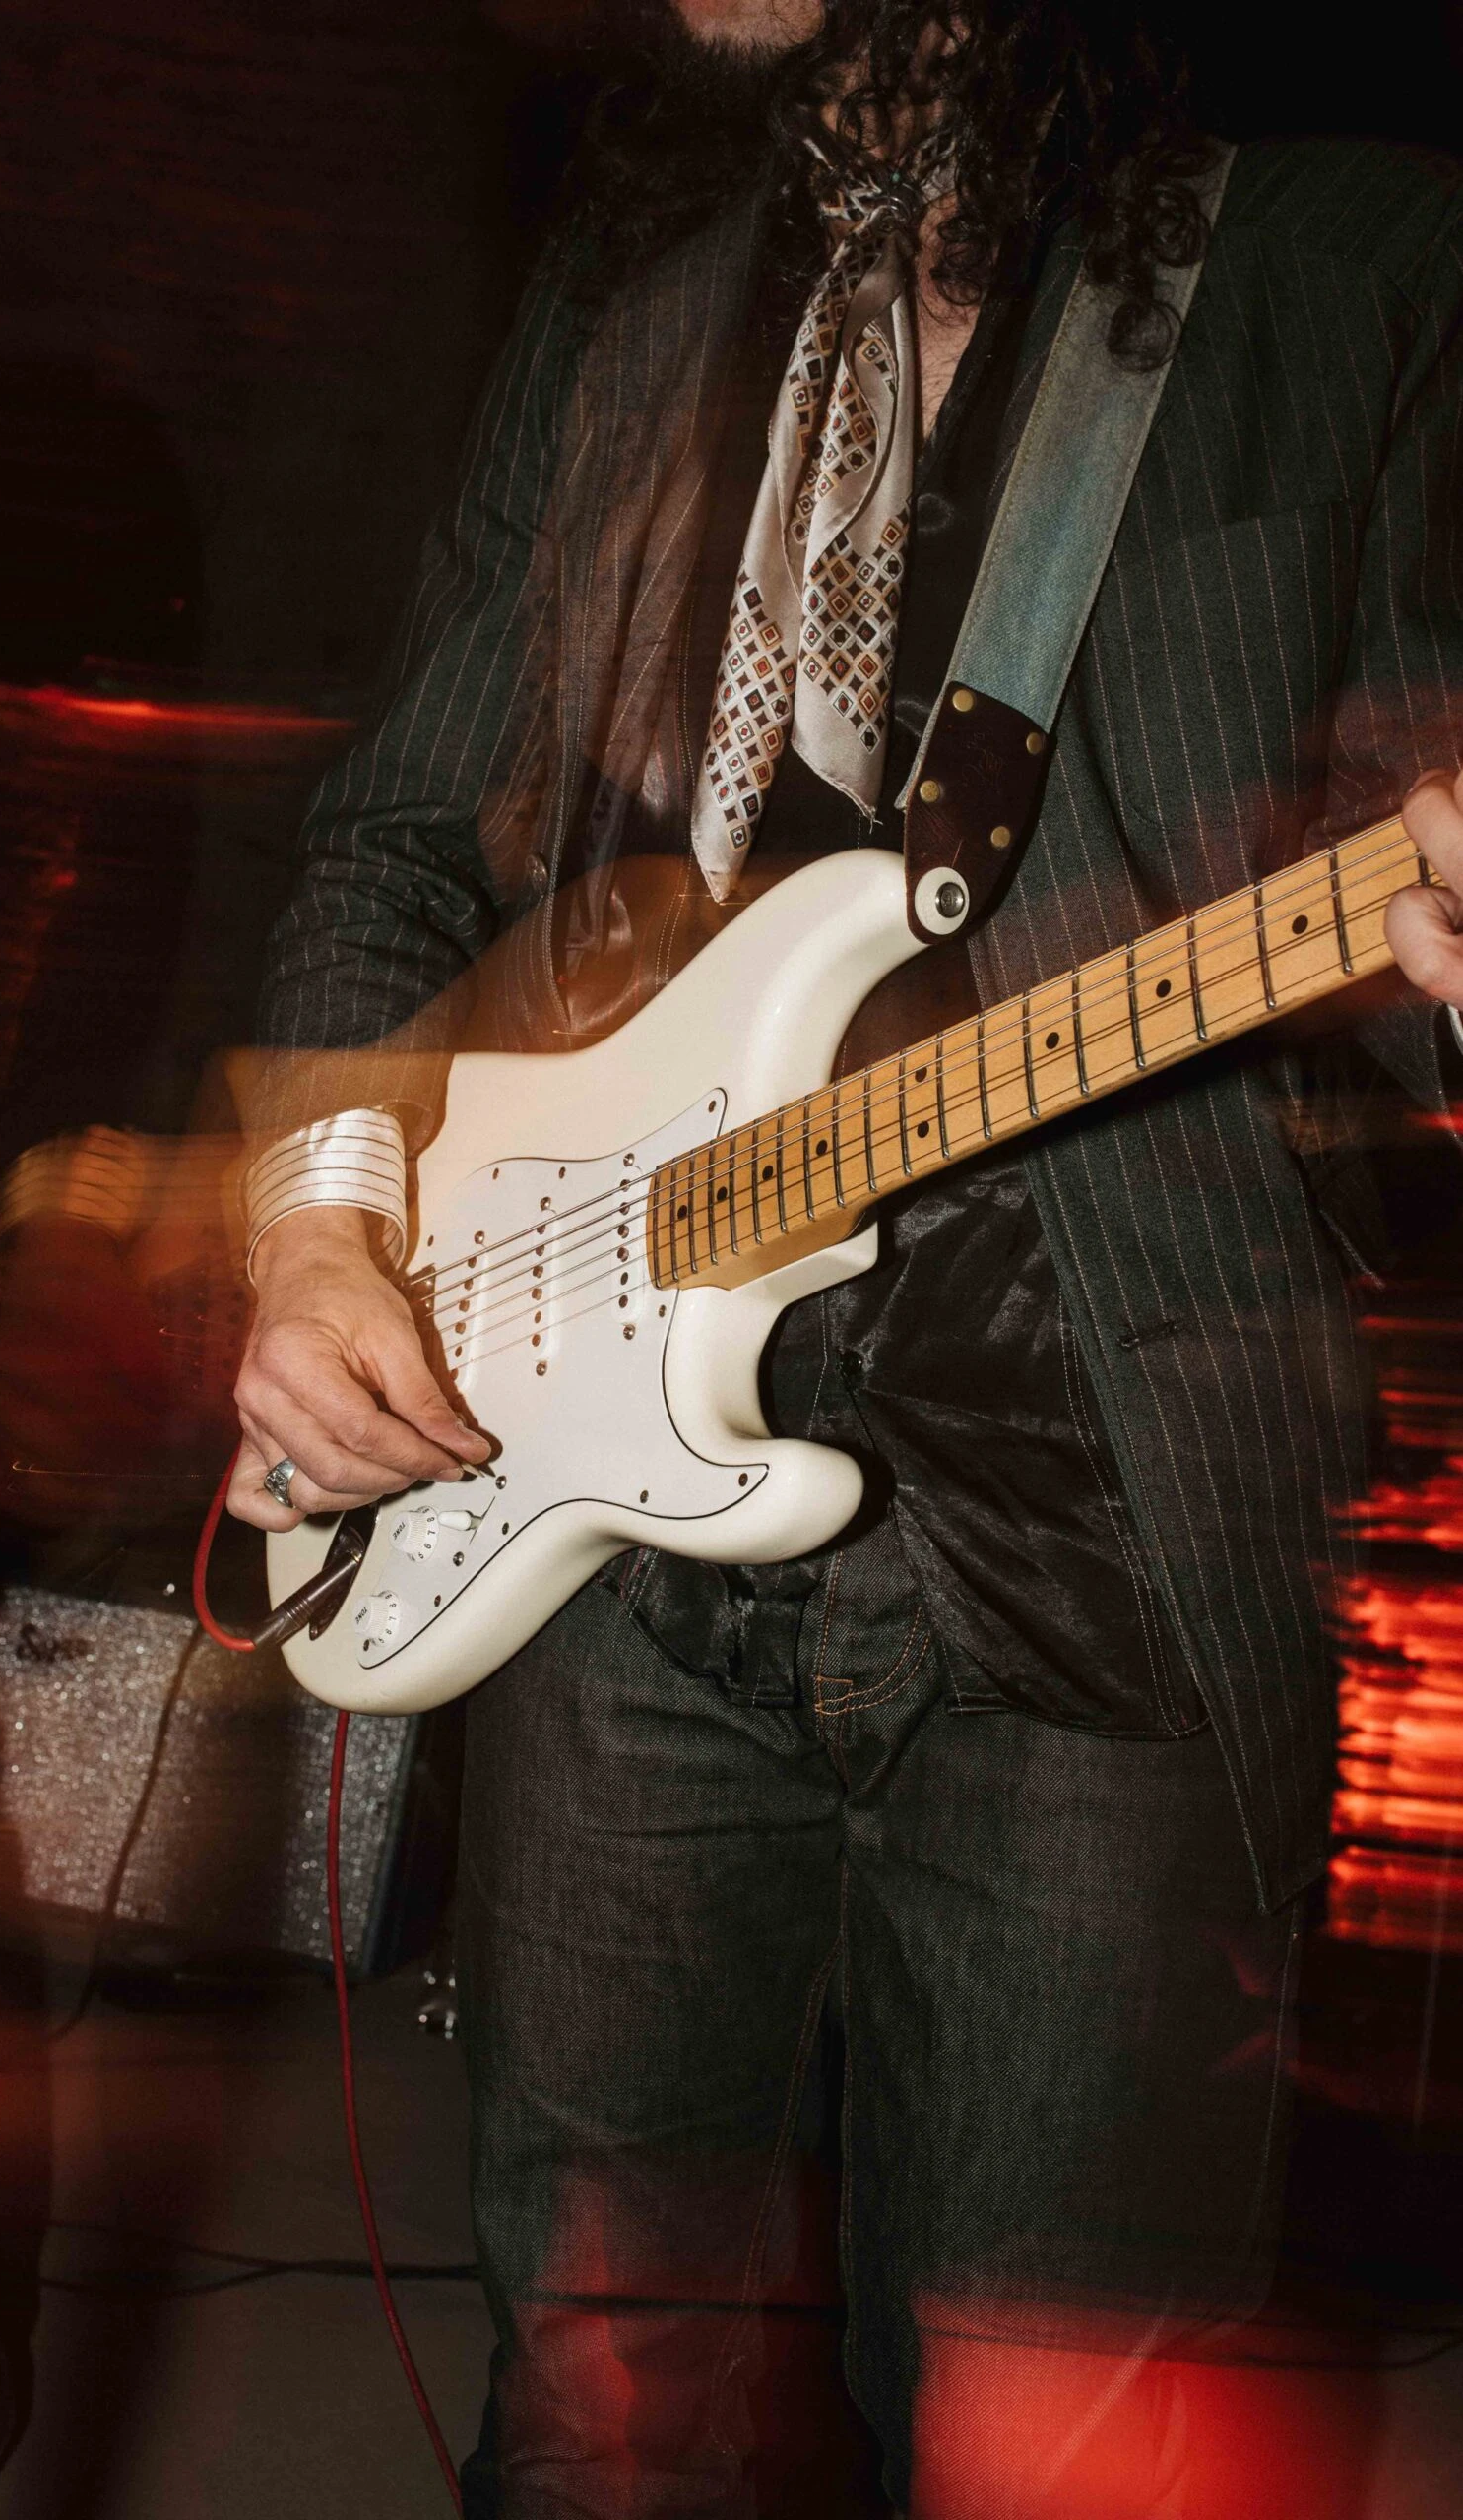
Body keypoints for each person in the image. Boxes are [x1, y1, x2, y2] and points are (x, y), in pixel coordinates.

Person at [229, 3, 1463, 2508]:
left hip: (1101, 1531)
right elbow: (392, 844)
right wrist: (325, 1234)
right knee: (602, 2413)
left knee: (1059, 2434)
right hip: (599, 1518)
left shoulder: (1358, 266)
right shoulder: (630, 301)